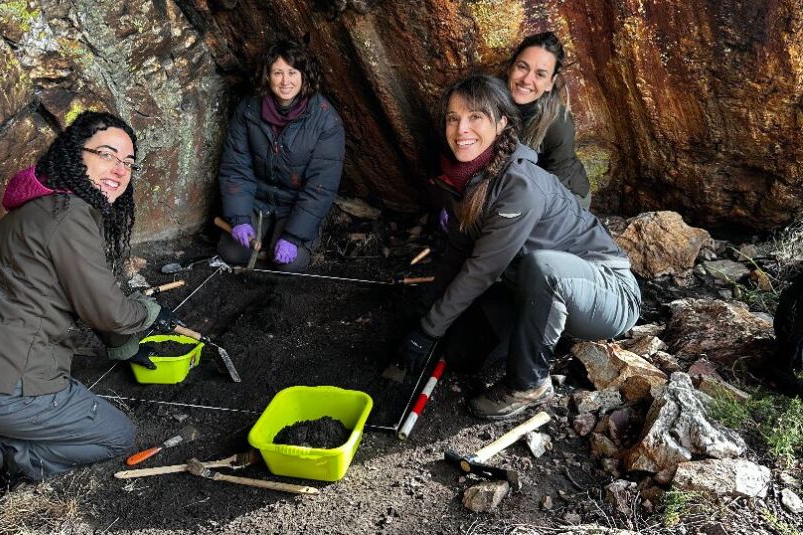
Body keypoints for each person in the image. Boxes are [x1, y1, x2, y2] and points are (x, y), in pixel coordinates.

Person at [0, 112, 179, 520]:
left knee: (56, 380)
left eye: (128, 162)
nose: (119, 170)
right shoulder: (70, 217)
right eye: (107, 154)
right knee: (117, 435)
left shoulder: (43, 205)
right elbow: (108, 310)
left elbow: (82, 294)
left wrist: (121, 342)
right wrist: (148, 314)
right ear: (75, 154)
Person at [403, 75, 641, 421]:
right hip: (530, 288)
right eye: (453, 118)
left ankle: (528, 384)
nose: (461, 129)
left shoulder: (519, 184)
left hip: (608, 294)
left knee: (542, 268)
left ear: (501, 123)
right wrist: (424, 317)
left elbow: (482, 268)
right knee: (460, 353)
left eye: (476, 117)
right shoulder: (462, 179)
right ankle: (539, 335)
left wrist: (427, 331)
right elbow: (458, 253)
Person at [217, 39, 345, 272]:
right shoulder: (249, 109)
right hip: (259, 199)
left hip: (295, 203)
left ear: (304, 75)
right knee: (232, 252)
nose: (286, 81)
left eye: (293, 72)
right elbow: (236, 166)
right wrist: (239, 218)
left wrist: (294, 236)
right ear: (268, 76)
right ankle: (262, 232)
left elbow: (321, 186)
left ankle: (307, 231)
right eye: (278, 72)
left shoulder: (325, 120)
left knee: (289, 264)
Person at [505, 31, 592, 208]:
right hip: (516, 185)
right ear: (510, 67)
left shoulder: (558, 124)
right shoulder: (488, 100)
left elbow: (554, 187)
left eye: (540, 74)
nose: (527, 80)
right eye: (522, 67)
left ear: (550, 83)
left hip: (564, 192)